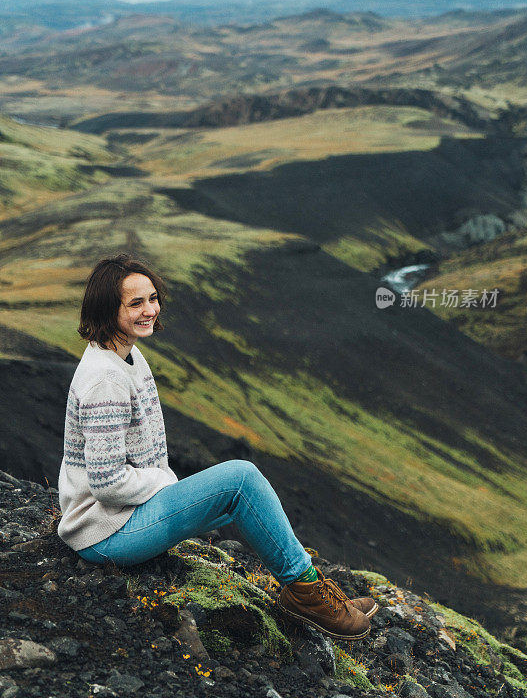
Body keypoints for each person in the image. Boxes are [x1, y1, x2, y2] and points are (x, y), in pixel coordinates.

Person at [57, 253, 377, 640]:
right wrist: (164, 483)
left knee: (243, 496)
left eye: (153, 298)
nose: (150, 310)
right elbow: (106, 481)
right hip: (106, 534)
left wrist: (163, 485)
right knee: (240, 480)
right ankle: (307, 593)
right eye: (135, 303)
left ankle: (308, 587)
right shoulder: (105, 380)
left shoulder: (126, 355)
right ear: (109, 309)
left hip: (124, 516)